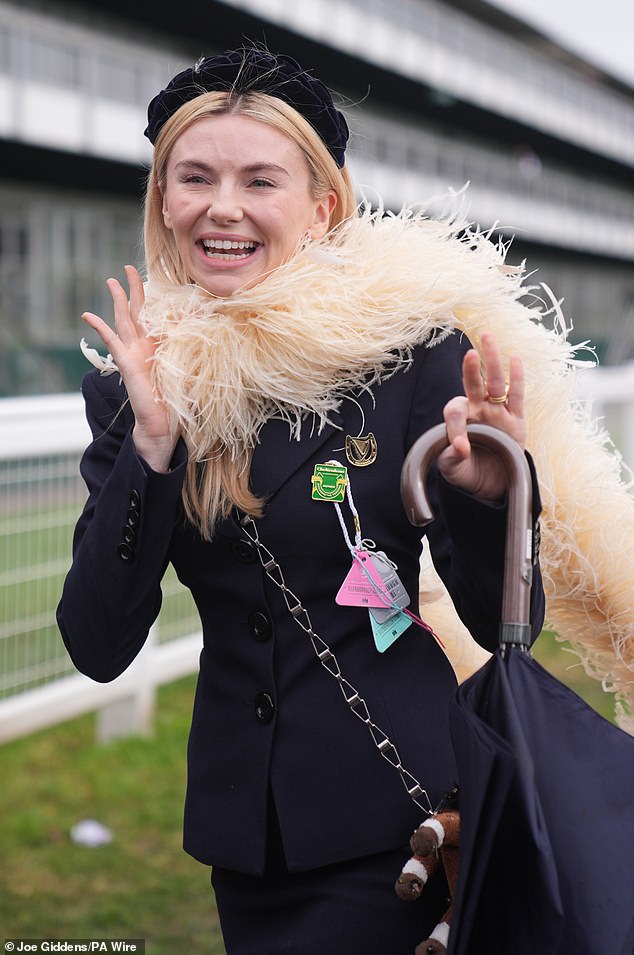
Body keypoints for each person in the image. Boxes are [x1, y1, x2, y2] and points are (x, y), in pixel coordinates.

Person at [57, 48, 545, 954]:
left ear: (322, 207)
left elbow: (510, 618)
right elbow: (96, 644)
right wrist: (153, 450)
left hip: (400, 818)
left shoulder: (407, 354)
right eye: (195, 177)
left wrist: (486, 495)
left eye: (260, 180)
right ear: (164, 199)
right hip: (246, 835)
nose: (223, 207)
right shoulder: (138, 384)